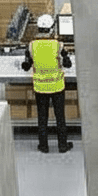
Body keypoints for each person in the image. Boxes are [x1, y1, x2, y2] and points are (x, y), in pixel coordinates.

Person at [28, 13, 72, 153]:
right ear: (52, 29)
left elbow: (26, 64)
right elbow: (67, 64)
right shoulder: (58, 45)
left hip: (40, 87)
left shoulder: (32, 46)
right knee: (60, 116)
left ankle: (43, 146)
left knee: (42, 117)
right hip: (57, 86)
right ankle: (63, 145)